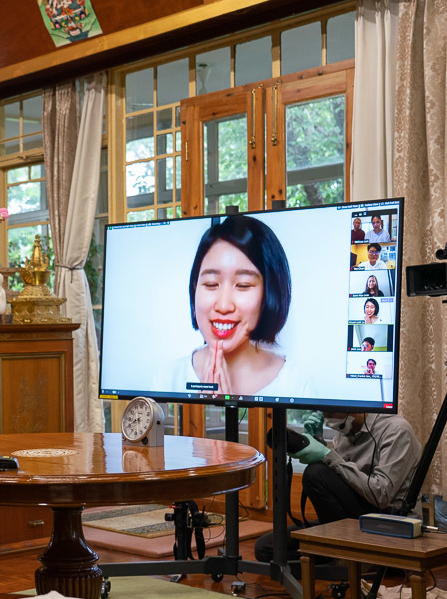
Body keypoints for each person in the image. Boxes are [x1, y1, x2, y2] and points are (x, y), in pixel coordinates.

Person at [153, 215, 308, 397]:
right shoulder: (167, 379)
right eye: (211, 284)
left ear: (269, 293)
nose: (224, 306)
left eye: (243, 285)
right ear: (194, 289)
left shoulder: (296, 383)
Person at [255, 410, 421, 563]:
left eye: (331, 410)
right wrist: (318, 443)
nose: (326, 415)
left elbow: (382, 495)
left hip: (388, 522)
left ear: (355, 408)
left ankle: (345, 557)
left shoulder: (397, 431)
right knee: (266, 549)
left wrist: (328, 455)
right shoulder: (344, 432)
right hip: (351, 519)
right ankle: (341, 556)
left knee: (315, 474)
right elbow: (339, 481)